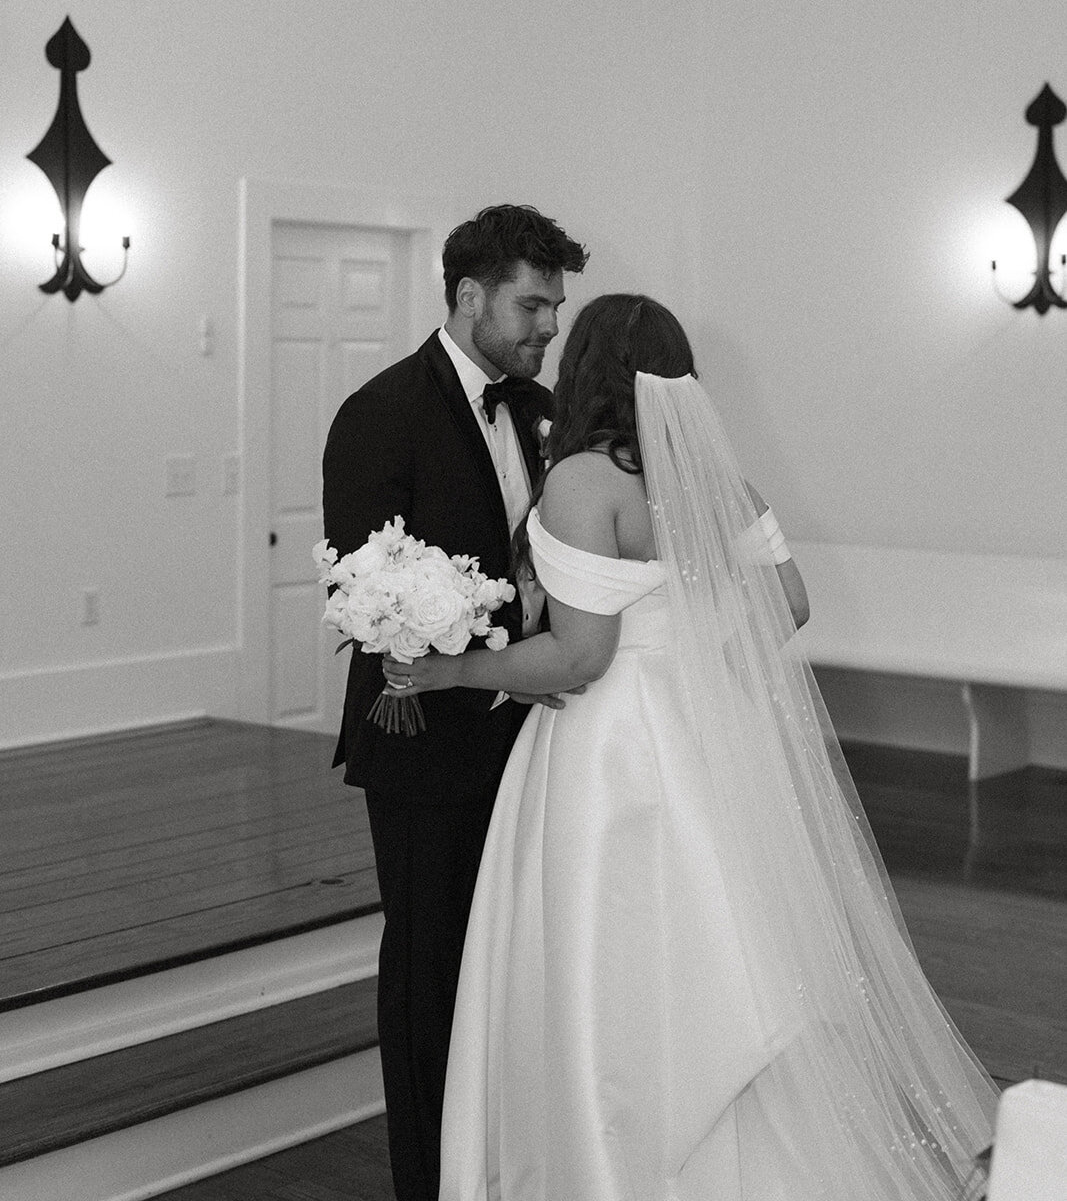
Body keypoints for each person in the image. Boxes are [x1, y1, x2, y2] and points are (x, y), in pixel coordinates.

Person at [401, 293, 999, 1200]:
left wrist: (445, 676)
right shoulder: (721, 481)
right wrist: (699, 655)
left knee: (609, 962)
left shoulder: (581, 482)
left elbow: (580, 652)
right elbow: (790, 604)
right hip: (700, 737)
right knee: (718, 949)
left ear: (587, 371)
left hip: (606, 751)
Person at [321, 202, 588, 1201]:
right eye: (531, 304)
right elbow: (358, 584)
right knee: (427, 970)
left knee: (510, 960)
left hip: (530, 731)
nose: (547, 325)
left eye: (556, 307)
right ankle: (425, 1179)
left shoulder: (538, 407)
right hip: (423, 742)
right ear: (469, 295)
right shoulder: (379, 411)